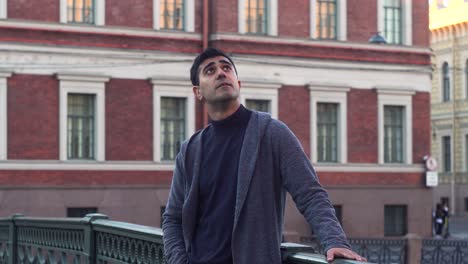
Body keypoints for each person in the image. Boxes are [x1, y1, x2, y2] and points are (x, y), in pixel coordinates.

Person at [162, 47, 366, 264]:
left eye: (226, 68)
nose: (221, 73)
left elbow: (310, 194)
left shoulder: (271, 133)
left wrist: (334, 240)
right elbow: (173, 219)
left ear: (238, 84)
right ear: (198, 92)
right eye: (210, 71)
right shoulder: (191, 150)